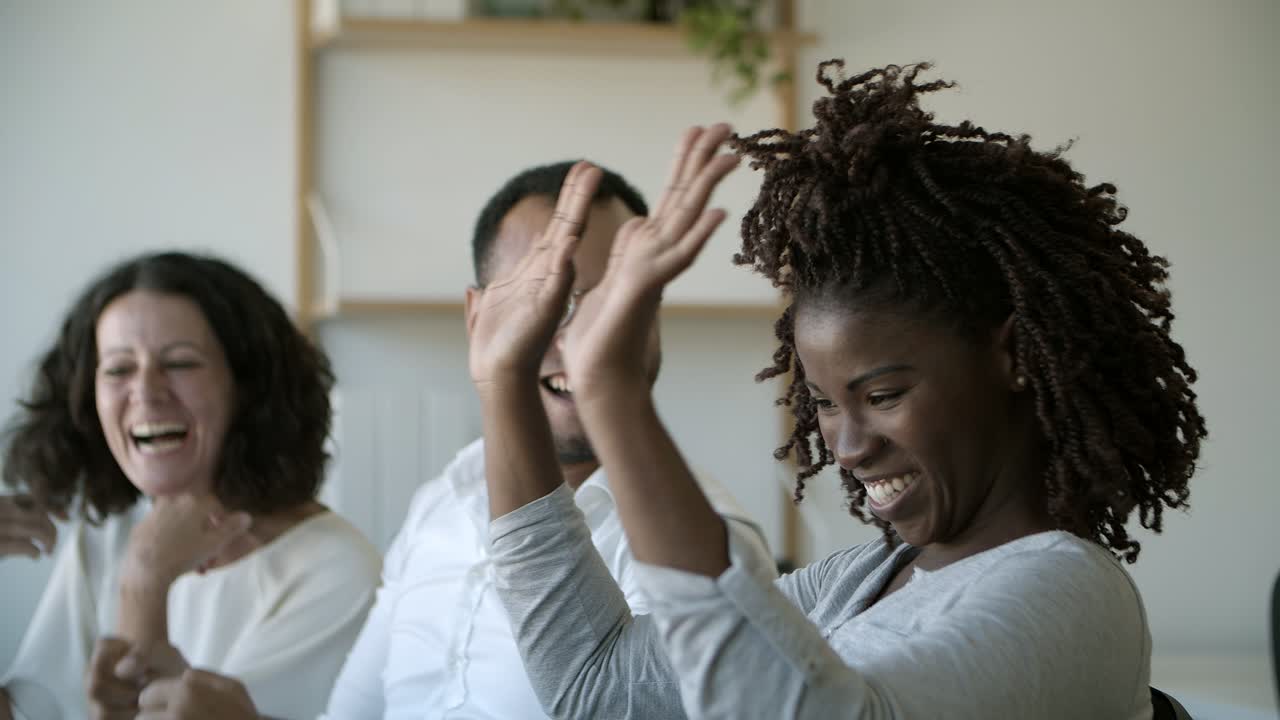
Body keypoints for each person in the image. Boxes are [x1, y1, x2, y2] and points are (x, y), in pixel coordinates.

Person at [473, 62, 1206, 718]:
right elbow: (599, 687)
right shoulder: (860, 578)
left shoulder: (1071, 591)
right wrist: (503, 382)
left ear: (1013, 357)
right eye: (824, 403)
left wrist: (614, 391)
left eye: (882, 395)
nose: (847, 449)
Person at [131, 162, 773, 719]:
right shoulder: (443, 500)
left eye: (620, 302)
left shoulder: (705, 549)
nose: (582, 339)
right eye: (544, 300)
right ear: (477, 317)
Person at [0, 252, 381, 720]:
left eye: (180, 363)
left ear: (248, 388)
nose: (146, 390)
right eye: (118, 369)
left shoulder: (335, 570)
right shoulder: (108, 532)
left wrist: (145, 582)